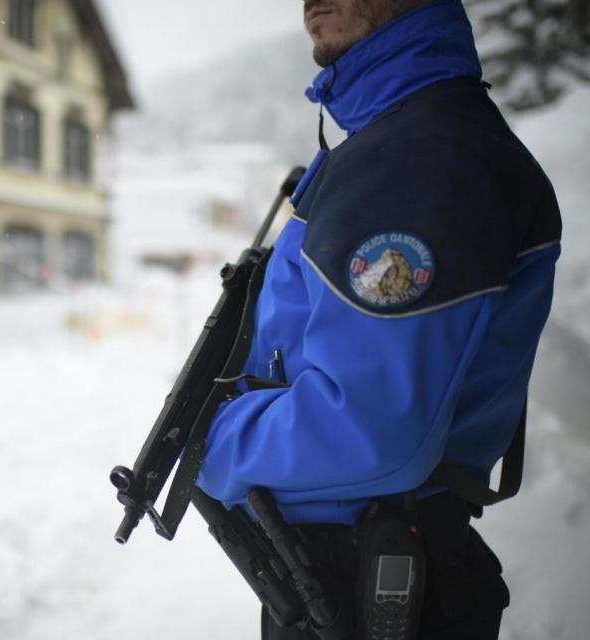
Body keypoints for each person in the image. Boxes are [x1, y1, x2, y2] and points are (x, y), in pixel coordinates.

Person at [195, 1, 561, 639]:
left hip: (366, 575)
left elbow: (370, 427)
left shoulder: (415, 159)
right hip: (366, 563)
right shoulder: (398, 143)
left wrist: (217, 439)